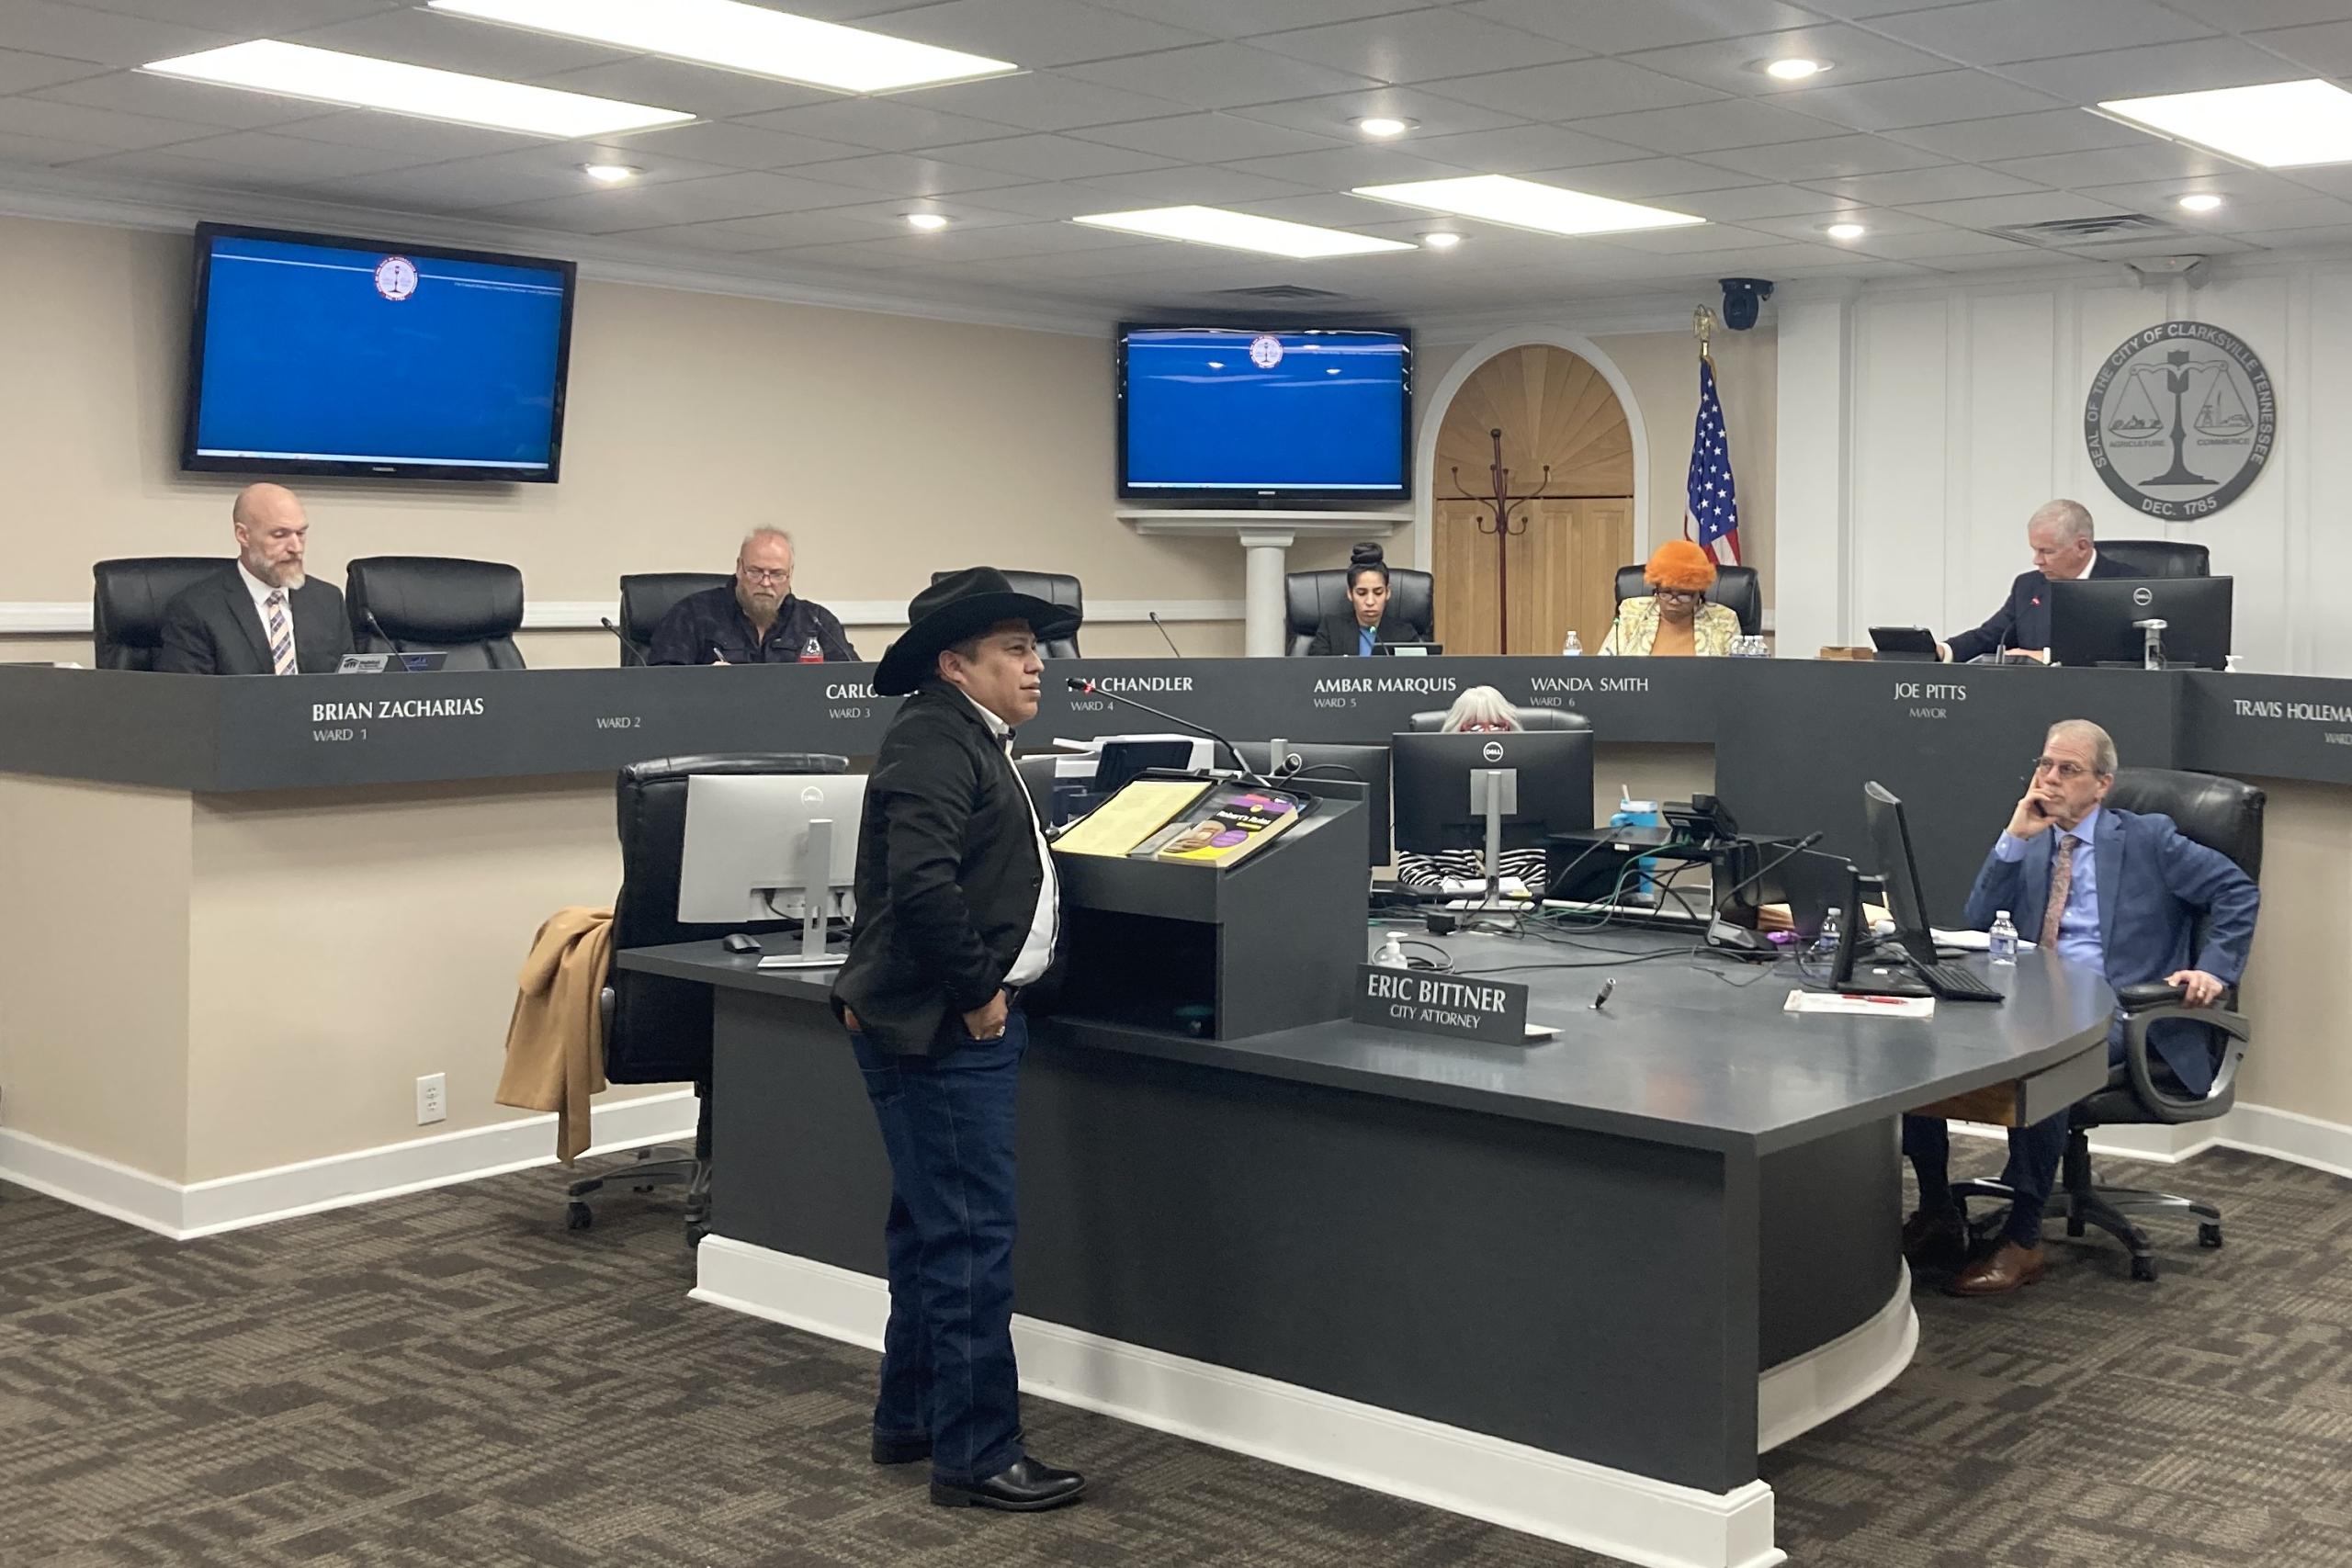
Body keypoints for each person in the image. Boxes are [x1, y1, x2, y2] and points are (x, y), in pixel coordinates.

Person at [829, 567, 1087, 1513]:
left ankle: (911, 1418)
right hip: (940, 1029)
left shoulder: (964, 734)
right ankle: (976, 1455)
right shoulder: (937, 737)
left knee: (932, 1232)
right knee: (972, 1239)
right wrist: (979, 991)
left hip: (933, 1023)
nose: (1037, 665)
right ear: (955, 663)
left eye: (1035, 646)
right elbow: (922, 886)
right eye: (1015, 649)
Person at [1902, 718, 2258, 1297]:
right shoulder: (2036, 839)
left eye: (2068, 770)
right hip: (2030, 999)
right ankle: (1940, 1213)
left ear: (2102, 785)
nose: (2050, 779)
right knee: (1920, 1040)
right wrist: (2014, 838)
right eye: (2045, 765)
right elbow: (1976, 920)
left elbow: (2236, 890)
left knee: (2043, 1061)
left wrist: (2214, 968)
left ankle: (2023, 1241)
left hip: (2124, 1011)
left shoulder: (2150, 838)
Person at [154, 483, 356, 675]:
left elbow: (348, 689)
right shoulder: (196, 609)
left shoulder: (327, 600)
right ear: (243, 535)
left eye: (301, 533)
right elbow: (189, 699)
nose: (296, 547)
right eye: (280, 535)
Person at [1395, 686, 1549, 892]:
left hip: (1526, 907)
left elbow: (1554, 866)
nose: (1486, 737)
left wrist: (1523, 896)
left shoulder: (1539, 787)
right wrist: (1448, 894)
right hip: (1445, 908)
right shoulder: (1429, 791)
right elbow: (1412, 867)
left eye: (1497, 726)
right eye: (1474, 728)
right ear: (1454, 732)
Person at [1939, 499, 2130, 663]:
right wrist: (1943, 650)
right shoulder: (2028, 587)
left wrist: (2047, 657)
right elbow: (1989, 637)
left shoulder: (2129, 585)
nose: (2037, 560)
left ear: (2082, 547)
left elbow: (2131, 653)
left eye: (2047, 551)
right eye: (2035, 550)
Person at [647, 527, 858, 664]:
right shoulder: (693, 615)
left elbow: (853, 685)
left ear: (790, 574)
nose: (765, 583)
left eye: (776, 574)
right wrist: (704, 683)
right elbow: (662, 683)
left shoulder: (816, 622)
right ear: (739, 567)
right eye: (755, 572)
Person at [1599, 540, 1740, 657]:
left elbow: (1737, 677)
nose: (1673, 601)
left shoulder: (1724, 620)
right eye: (1666, 593)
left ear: (1699, 592)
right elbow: (1605, 666)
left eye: (1684, 594)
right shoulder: (1632, 613)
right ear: (1656, 588)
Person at [1306, 543, 1420, 655]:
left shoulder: (1405, 635)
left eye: (1378, 592)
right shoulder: (1331, 629)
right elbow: (1315, 671)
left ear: (1388, 592)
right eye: (1361, 593)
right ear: (1350, 593)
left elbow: (1418, 671)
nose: (1370, 602)